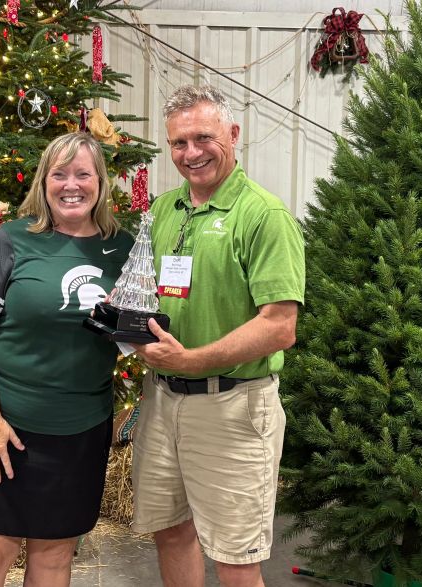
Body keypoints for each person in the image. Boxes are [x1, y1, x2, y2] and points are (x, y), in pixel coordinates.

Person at [130, 85, 305, 587]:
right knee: (171, 531)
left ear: (233, 134)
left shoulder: (263, 216)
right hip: (162, 403)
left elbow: (280, 326)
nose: (191, 153)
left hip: (232, 407)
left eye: (204, 137)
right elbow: (147, 293)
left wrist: (194, 361)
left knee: (235, 557)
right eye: (179, 143)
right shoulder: (164, 211)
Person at [0, 132, 133, 587]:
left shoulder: (125, 249)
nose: (72, 185)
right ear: (44, 182)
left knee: (54, 560)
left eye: (83, 174)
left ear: (101, 182)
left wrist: (128, 319)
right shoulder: (12, 240)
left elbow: (135, 338)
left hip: (80, 434)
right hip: (5, 431)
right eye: (60, 174)